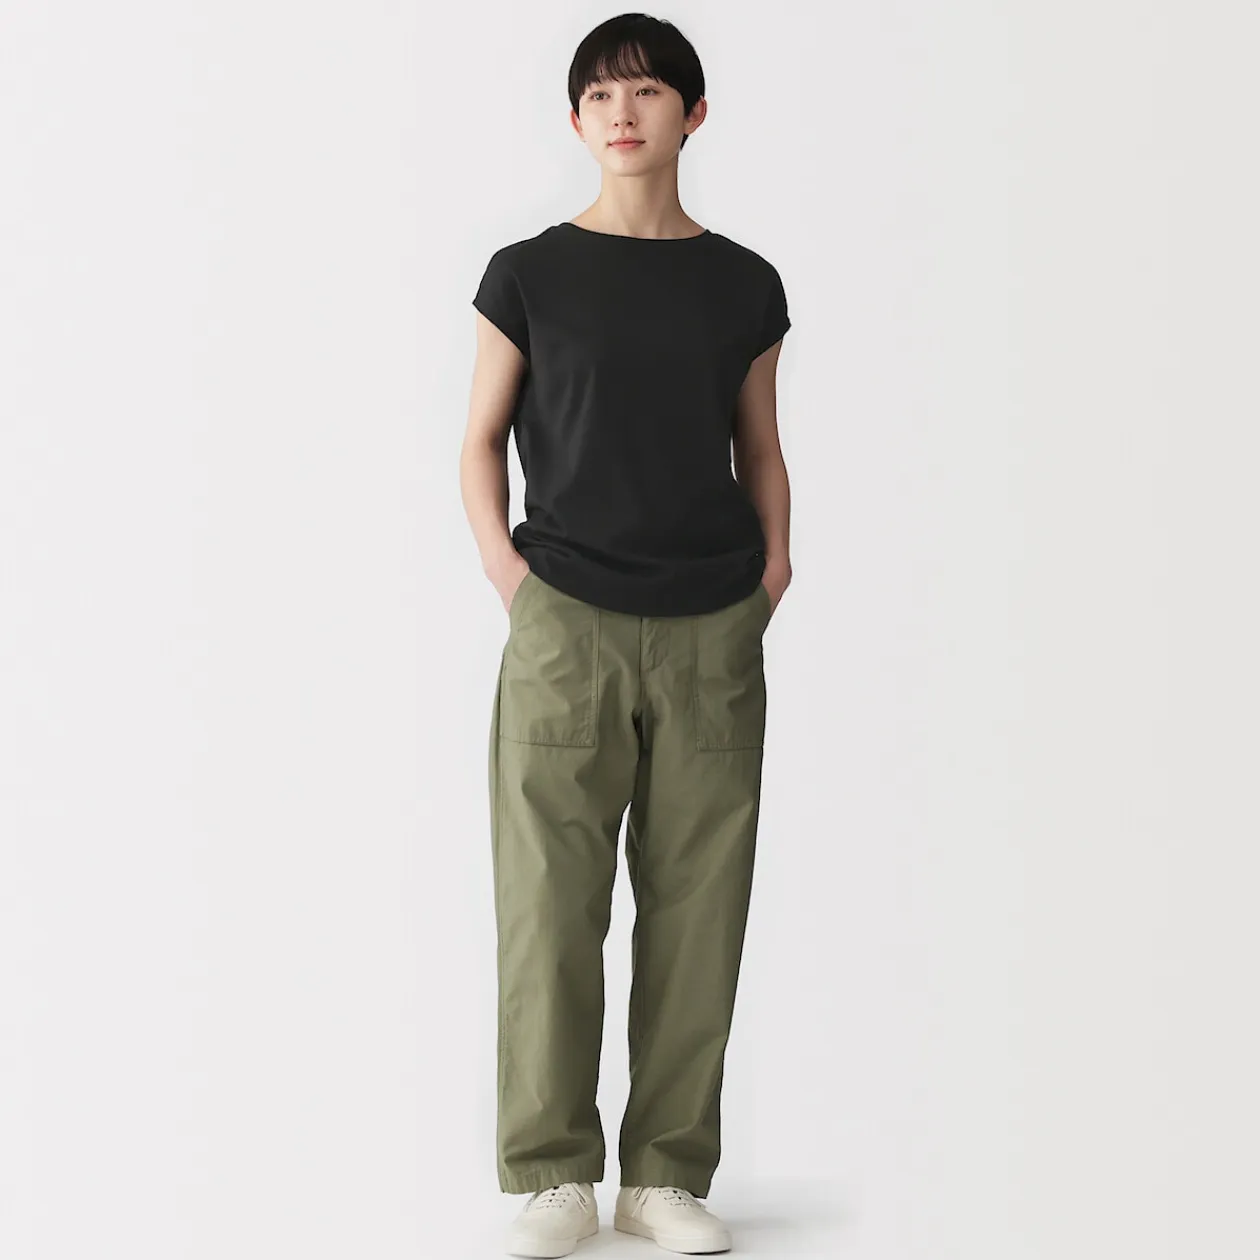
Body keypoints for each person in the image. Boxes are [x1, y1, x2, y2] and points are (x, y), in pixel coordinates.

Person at [459, 13, 792, 1257]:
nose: (622, 112)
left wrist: (771, 573)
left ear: (692, 115)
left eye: (648, 91)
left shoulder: (744, 284)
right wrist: (511, 577)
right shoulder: (527, 274)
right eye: (599, 95)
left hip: (713, 625)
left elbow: (760, 447)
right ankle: (553, 1175)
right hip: (566, 620)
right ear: (574, 119)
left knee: (701, 908)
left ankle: (664, 1176)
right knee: (549, 906)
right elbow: (478, 441)